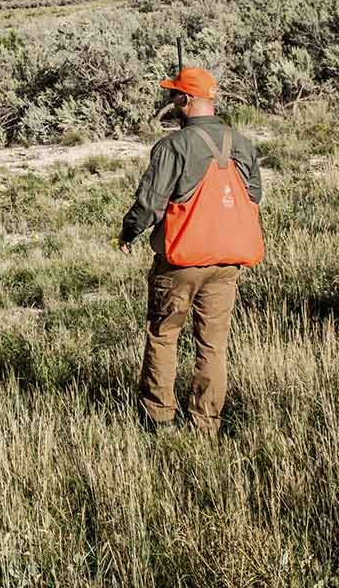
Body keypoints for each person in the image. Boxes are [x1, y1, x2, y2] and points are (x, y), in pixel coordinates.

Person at [116, 66, 264, 435]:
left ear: (186, 100)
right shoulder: (242, 143)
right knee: (212, 346)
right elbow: (254, 196)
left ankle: (160, 419)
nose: (171, 102)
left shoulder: (173, 146)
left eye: (174, 95)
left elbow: (150, 205)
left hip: (180, 261)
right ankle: (206, 425)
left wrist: (128, 232)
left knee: (164, 336)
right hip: (227, 262)